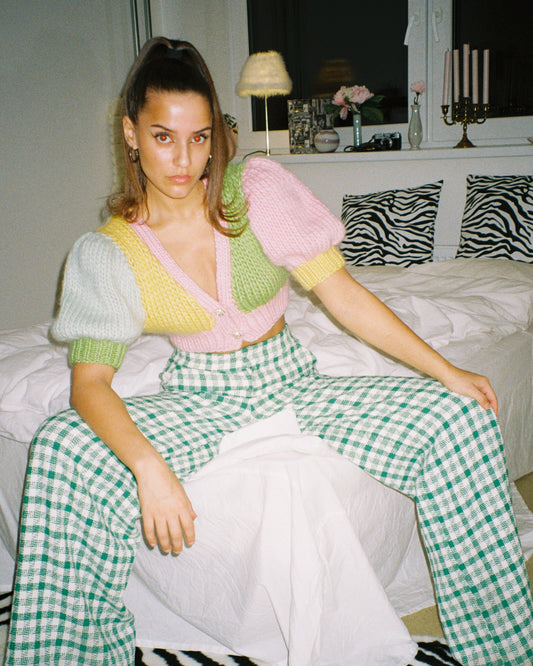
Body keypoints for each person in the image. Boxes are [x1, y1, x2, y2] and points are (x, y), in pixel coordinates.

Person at [5, 36, 533, 666]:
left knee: (460, 420)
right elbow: (89, 383)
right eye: (163, 136)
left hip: (293, 379)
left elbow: (342, 295)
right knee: (63, 446)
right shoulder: (107, 252)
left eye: (199, 137)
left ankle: (504, 652)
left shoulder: (254, 189)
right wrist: (147, 468)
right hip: (199, 395)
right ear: (130, 134)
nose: (183, 159)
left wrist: (446, 370)